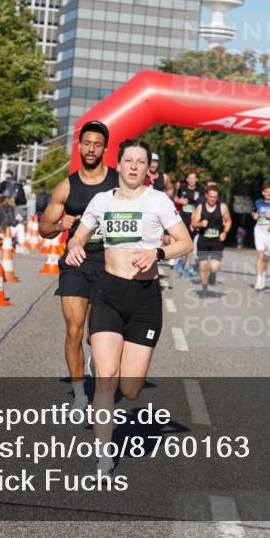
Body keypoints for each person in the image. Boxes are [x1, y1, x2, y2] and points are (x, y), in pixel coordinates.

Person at [65, 138, 192, 478]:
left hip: (144, 298)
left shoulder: (158, 201)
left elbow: (185, 242)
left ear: (148, 168)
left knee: (130, 389)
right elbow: (79, 234)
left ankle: (110, 371)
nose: (134, 166)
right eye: (129, 160)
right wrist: (74, 246)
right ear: (118, 165)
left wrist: (158, 254)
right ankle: (103, 459)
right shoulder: (101, 200)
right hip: (108, 293)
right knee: (106, 379)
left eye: (141, 161)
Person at [40, 121, 119, 411]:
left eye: (97, 144)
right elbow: (43, 227)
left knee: (96, 334)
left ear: (105, 149)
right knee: (74, 331)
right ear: (80, 145)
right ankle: (80, 395)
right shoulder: (67, 186)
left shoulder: (117, 184)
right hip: (76, 263)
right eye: (87, 143)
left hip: (110, 264)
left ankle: (97, 361)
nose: (91, 149)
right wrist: (61, 224)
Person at [192, 184, 232, 297]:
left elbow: (228, 221)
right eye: (211, 196)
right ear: (206, 196)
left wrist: (225, 232)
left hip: (217, 241)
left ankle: (213, 274)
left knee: (214, 267)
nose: (213, 199)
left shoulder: (222, 207)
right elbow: (193, 223)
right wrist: (200, 223)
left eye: (215, 197)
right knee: (203, 267)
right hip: (203, 240)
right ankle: (204, 289)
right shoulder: (200, 207)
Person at [251, 183, 270, 291]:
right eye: (266, 192)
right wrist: (254, 215)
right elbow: (253, 212)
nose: (268, 194)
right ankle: (259, 279)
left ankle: (263, 274)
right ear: (263, 193)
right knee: (260, 255)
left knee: (266, 257)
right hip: (259, 231)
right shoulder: (258, 202)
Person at [173, 171, 203, 277]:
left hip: (193, 220)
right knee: (181, 241)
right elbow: (175, 198)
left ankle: (186, 266)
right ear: (187, 179)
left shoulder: (200, 189)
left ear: (196, 179)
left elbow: (203, 203)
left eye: (193, 178)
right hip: (183, 218)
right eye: (190, 178)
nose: (191, 180)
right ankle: (179, 262)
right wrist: (179, 201)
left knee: (190, 244)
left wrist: (198, 201)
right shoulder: (183, 188)